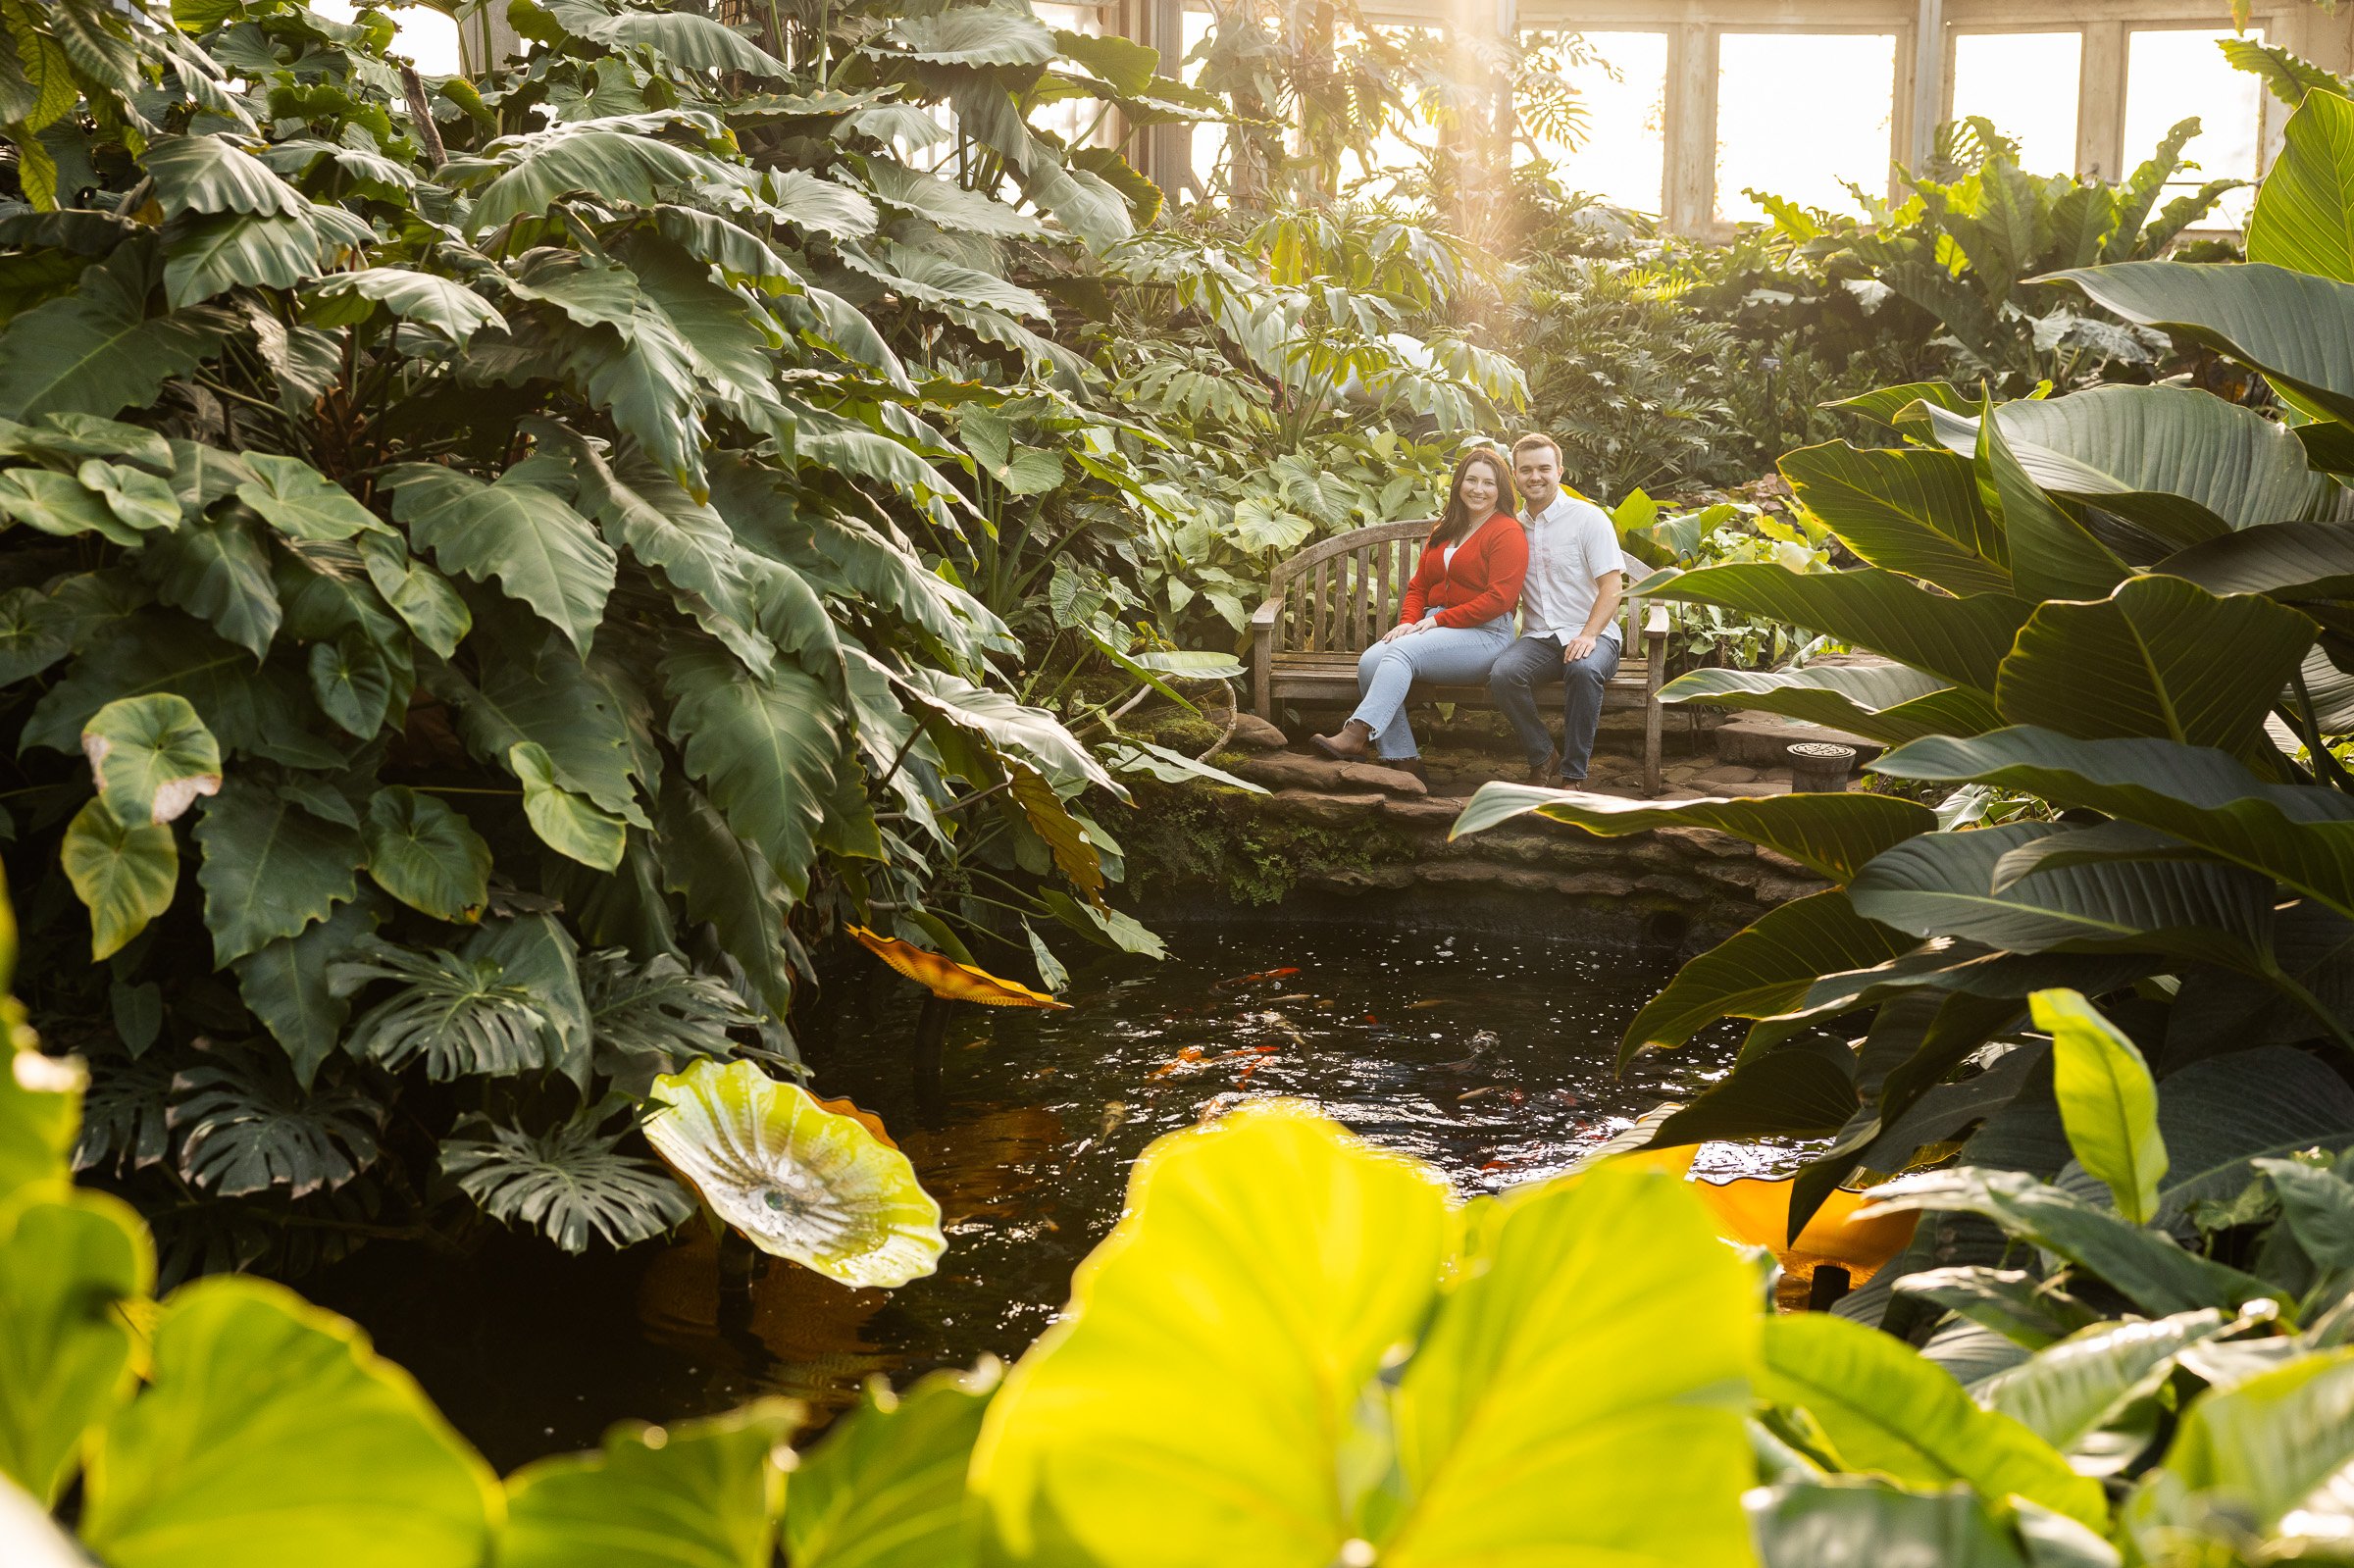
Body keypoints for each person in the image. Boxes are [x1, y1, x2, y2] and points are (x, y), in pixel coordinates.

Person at [1309, 447, 1527, 782]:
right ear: (1458, 484)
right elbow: (1418, 586)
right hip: (1433, 627)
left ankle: (1356, 734)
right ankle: (1404, 760)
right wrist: (1409, 622)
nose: (1478, 489)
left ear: (1501, 490)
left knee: (1400, 652)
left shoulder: (1507, 532)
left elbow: (1499, 599)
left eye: (1488, 482)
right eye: (1471, 480)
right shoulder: (1445, 527)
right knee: (1370, 661)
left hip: (1485, 634)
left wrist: (1438, 620)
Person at [1487, 432, 1628, 786]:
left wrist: (1590, 634)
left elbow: (1612, 588)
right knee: (1503, 675)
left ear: (1560, 471)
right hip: (1540, 637)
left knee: (1582, 671)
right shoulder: (1511, 528)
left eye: (1544, 469)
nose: (1535, 477)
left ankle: (1572, 775)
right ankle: (1542, 754)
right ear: (1515, 476)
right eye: (1526, 470)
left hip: (1595, 635)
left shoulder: (1588, 519)